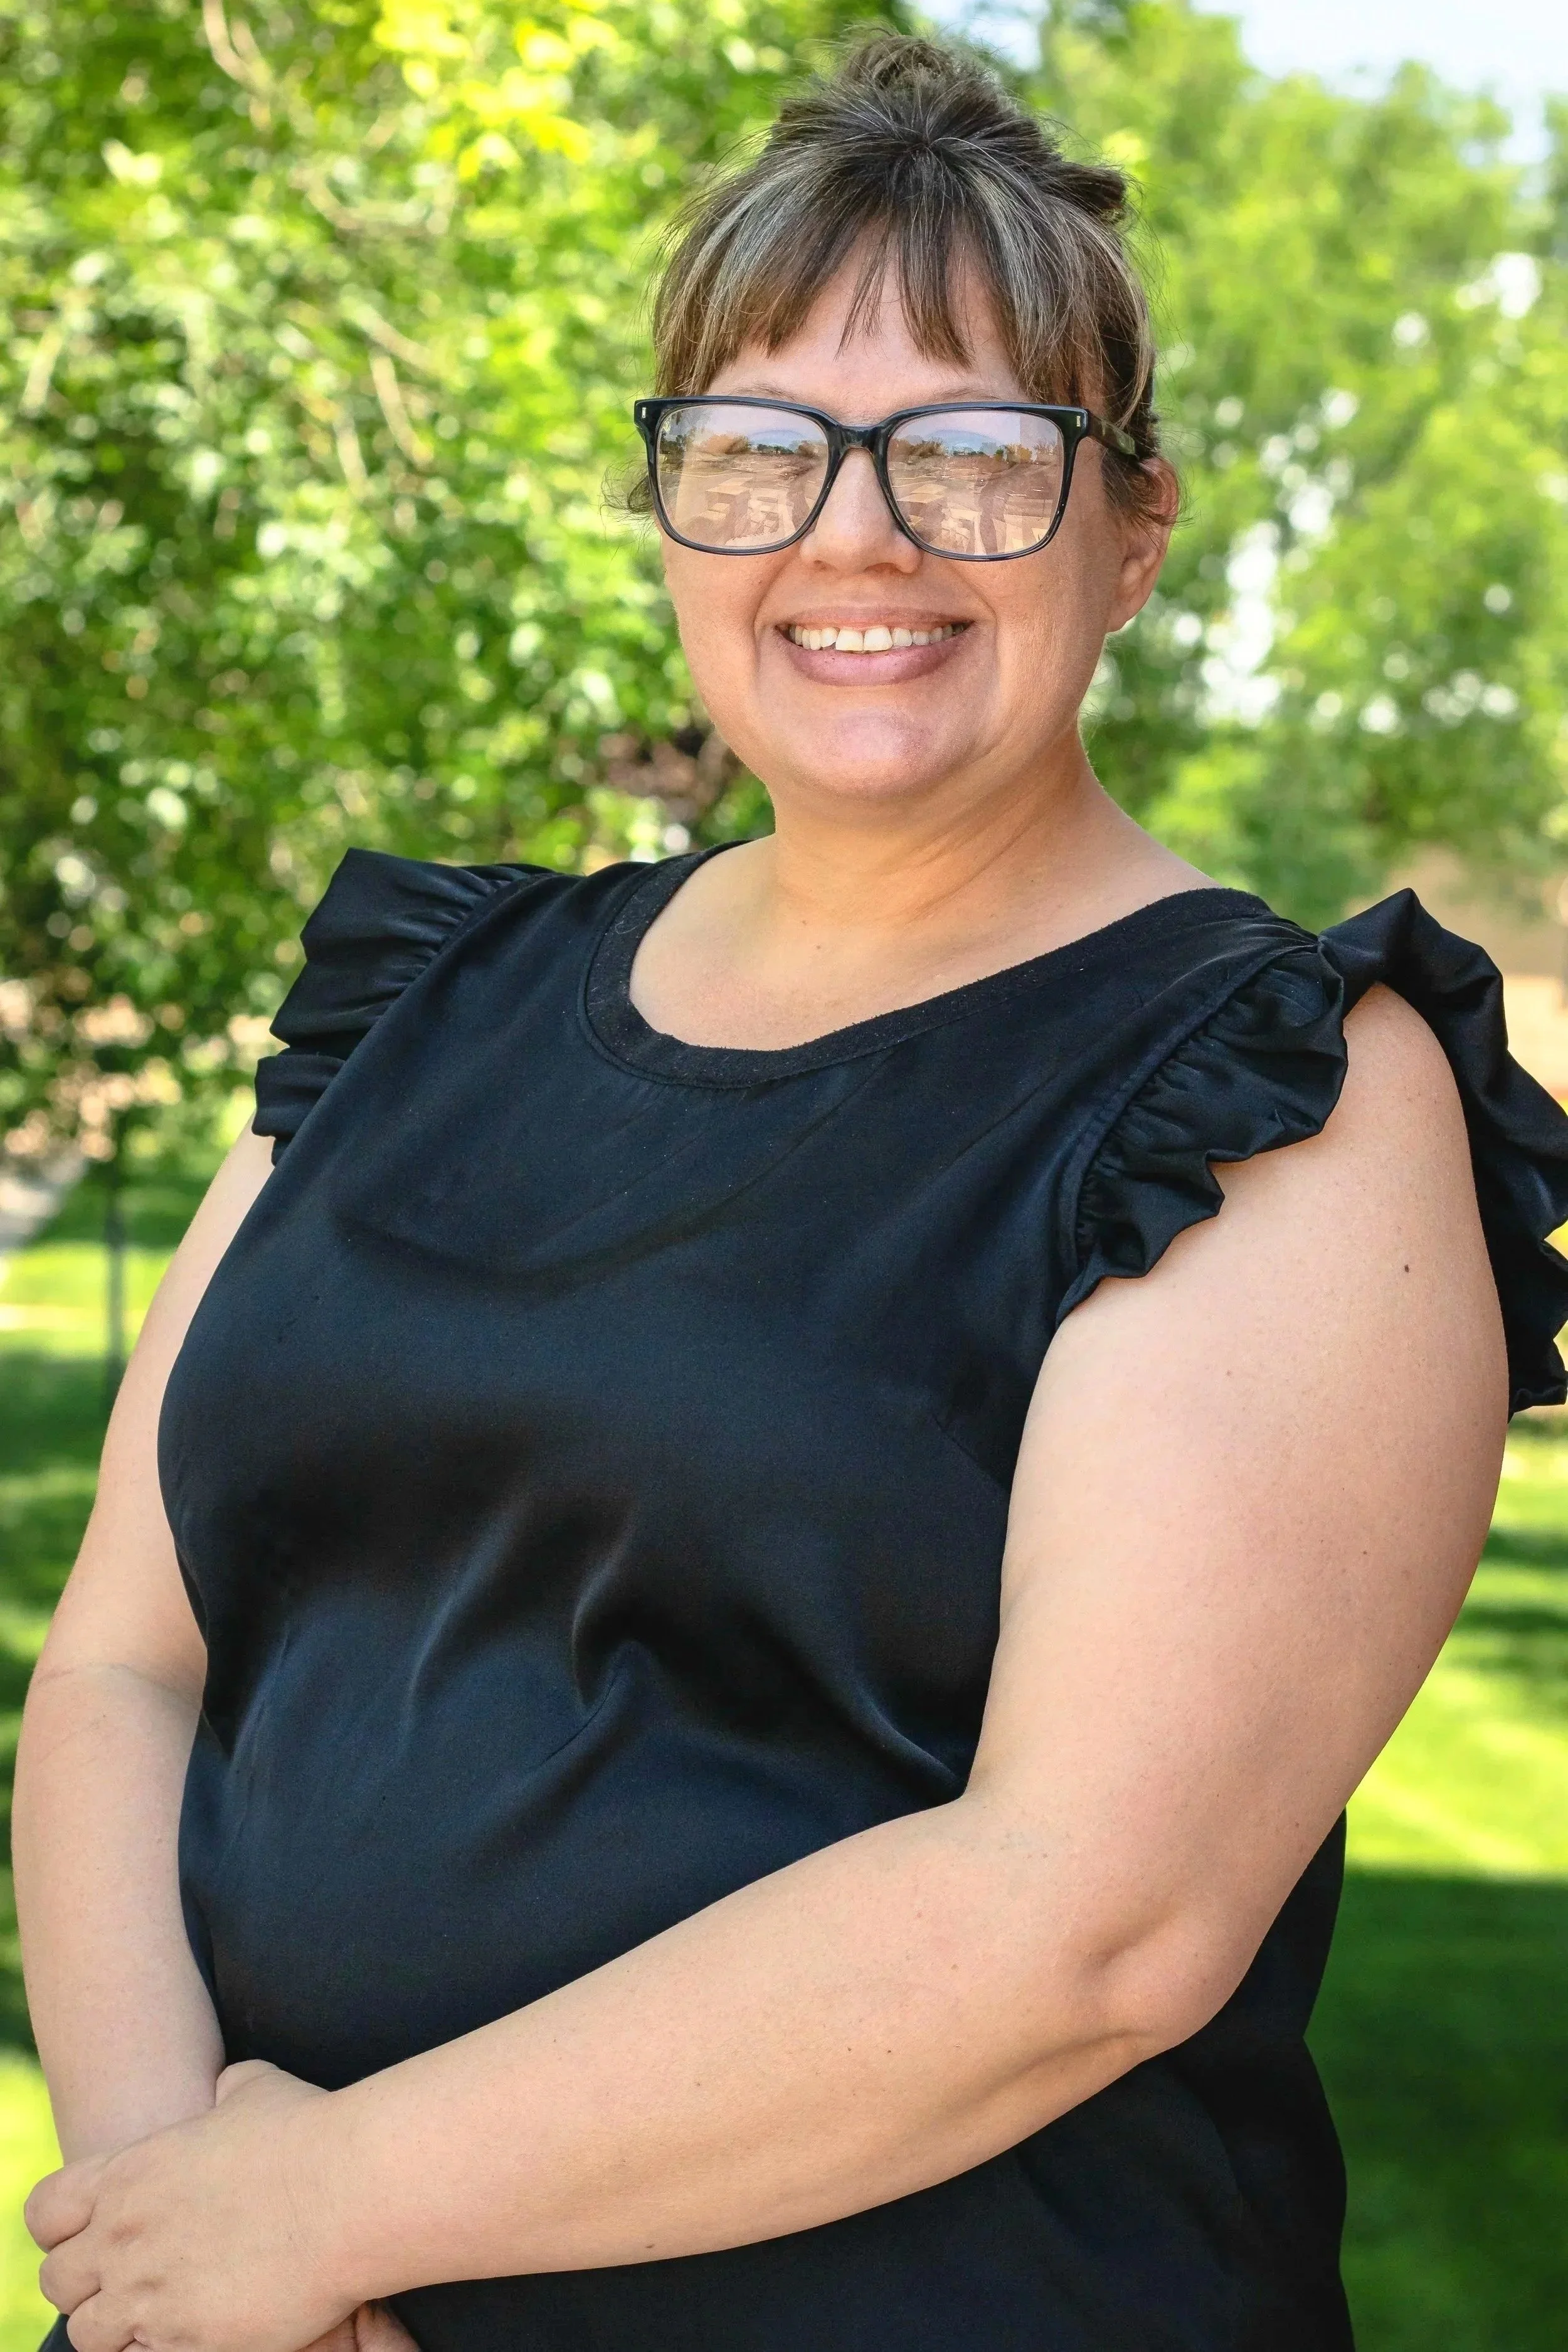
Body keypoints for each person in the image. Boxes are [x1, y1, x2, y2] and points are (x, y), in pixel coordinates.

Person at [16, 34, 1568, 2352]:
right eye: (753, 450)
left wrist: (327, 2206)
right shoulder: (420, 997)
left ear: (1131, 530)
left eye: (968, 453)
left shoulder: (1272, 1095)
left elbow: (1087, 1916)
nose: (853, 534)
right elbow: (131, 1662)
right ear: (668, 513)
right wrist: (175, 2231)